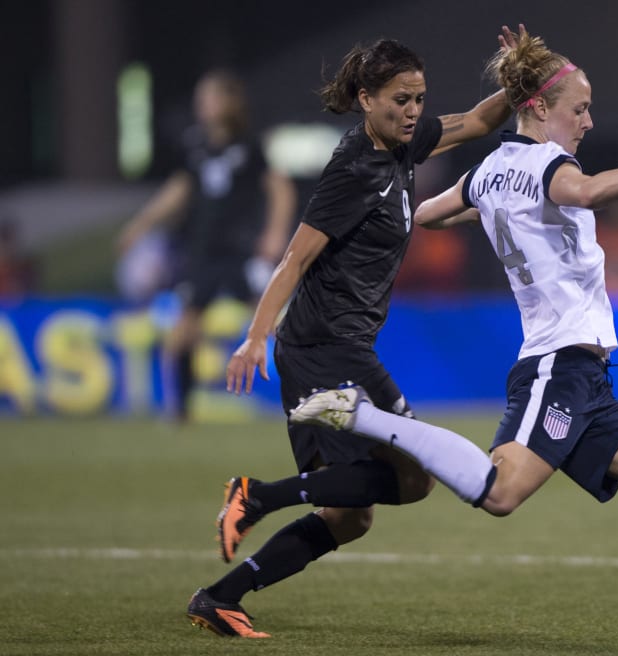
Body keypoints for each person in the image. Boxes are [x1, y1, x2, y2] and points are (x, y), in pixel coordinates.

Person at [289, 28, 618, 642]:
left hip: (587, 381)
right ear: (539, 108)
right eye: (579, 108)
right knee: (499, 492)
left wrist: (472, 206)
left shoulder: (490, 170)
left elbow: (422, 216)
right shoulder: (549, 165)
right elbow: (586, 191)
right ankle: (367, 417)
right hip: (556, 367)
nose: (588, 122)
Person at [187, 28, 522, 638]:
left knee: (349, 517)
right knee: (415, 476)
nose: (414, 110)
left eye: (419, 97)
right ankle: (257, 497)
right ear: (366, 99)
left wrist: (526, 75)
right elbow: (294, 258)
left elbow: (476, 121)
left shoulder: (402, 144)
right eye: (400, 99)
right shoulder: (354, 168)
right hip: (323, 349)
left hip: (343, 346)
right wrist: (255, 336)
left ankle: (220, 596)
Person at [116, 69, 297, 421]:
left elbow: (281, 189)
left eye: (210, 97)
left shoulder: (249, 146)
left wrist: (275, 234)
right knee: (183, 333)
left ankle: (313, 394)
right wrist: (140, 225)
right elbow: (178, 190)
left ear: (229, 102)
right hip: (202, 255)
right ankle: (180, 414)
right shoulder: (195, 145)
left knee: (275, 324)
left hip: (243, 252)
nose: (202, 105)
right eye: (201, 99)